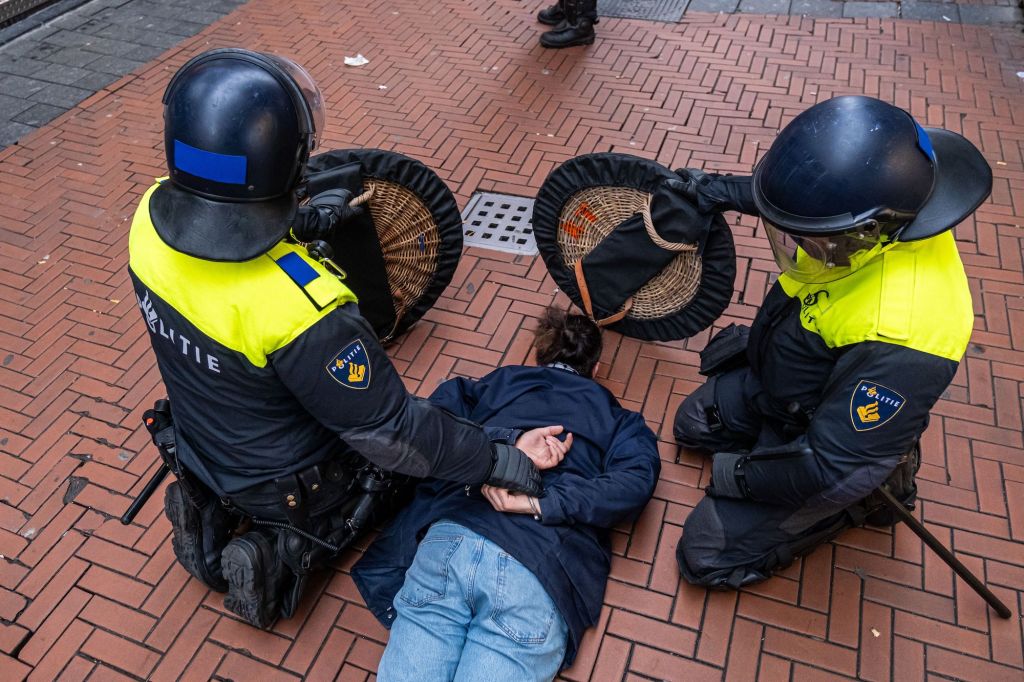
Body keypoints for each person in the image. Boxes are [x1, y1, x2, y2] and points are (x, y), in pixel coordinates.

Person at [127, 48, 550, 627]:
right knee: (406, 459)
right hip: (285, 482)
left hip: (204, 436)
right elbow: (394, 433)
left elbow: (220, 228)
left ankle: (211, 514)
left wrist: (296, 221)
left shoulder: (150, 220)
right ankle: (273, 555)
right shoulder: (305, 311)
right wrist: (494, 460)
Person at [671, 95, 993, 588]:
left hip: (832, 444)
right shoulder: (885, 200)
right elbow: (808, 199)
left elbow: (828, 462)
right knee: (692, 426)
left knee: (704, 553)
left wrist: (738, 474)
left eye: (809, 239)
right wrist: (713, 190)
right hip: (789, 380)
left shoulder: (907, 334)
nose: (798, 245)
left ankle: (861, 504)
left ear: (865, 232)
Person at [352, 307, 661, 681]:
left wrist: (504, 441)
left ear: (540, 356)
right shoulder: (621, 421)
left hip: (452, 533)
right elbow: (634, 483)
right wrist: (542, 502)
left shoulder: (497, 383)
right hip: (537, 558)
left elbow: (436, 423)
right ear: (595, 369)